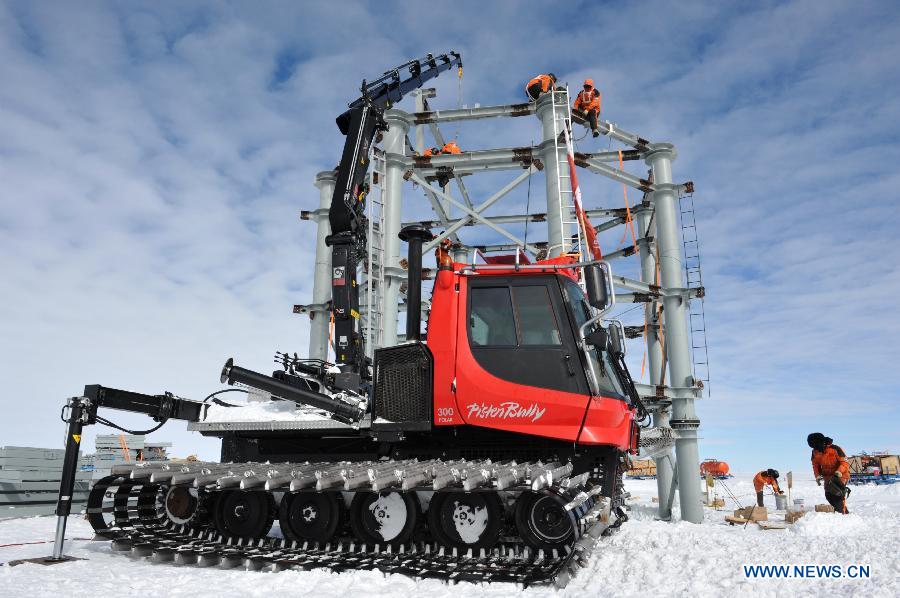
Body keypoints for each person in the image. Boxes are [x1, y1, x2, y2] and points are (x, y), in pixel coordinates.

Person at [808, 432, 850, 514]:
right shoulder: (815, 452)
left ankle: (843, 514)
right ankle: (840, 512)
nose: (815, 448)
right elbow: (815, 465)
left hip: (840, 475)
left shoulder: (835, 449)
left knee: (837, 495)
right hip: (827, 476)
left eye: (815, 446)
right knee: (828, 495)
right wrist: (817, 476)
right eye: (813, 447)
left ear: (820, 442)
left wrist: (839, 471)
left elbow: (845, 463)